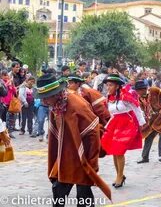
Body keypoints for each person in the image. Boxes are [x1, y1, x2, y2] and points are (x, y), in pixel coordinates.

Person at [35, 74, 111, 206]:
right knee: (58, 188)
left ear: (56, 94)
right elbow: (57, 132)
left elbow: (92, 131)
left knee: (83, 193)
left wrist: (91, 162)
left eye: (46, 98)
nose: (44, 102)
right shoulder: (55, 105)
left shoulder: (77, 105)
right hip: (65, 154)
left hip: (82, 154)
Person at [101, 74, 145, 188]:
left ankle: (120, 176)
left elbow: (136, 108)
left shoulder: (125, 96)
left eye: (110, 85)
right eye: (107, 85)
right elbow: (111, 113)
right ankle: (119, 175)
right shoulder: (108, 98)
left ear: (117, 86)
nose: (108, 87)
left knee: (119, 151)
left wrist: (141, 123)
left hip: (126, 124)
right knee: (114, 151)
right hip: (114, 124)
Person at [137, 85, 161, 164]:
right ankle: (145, 157)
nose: (137, 93)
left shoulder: (154, 90)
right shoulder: (140, 98)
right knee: (148, 136)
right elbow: (144, 110)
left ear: (143, 89)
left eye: (138, 91)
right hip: (152, 119)